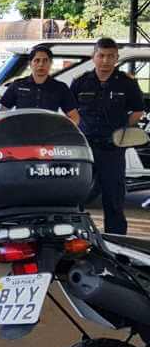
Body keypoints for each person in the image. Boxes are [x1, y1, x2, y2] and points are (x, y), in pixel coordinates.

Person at [71, 37, 144, 235]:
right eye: (101, 55)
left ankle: (116, 239)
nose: (105, 60)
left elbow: (138, 111)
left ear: (116, 58)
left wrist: (121, 130)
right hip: (85, 148)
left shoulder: (126, 83)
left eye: (110, 56)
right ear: (93, 57)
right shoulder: (81, 82)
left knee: (113, 198)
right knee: (78, 194)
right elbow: (70, 111)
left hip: (112, 149)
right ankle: (77, 236)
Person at [0, 45, 79, 124]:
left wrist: (61, 130)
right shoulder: (17, 85)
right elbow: (1, 113)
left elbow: (74, 117)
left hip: (48, 132)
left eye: (45, 60)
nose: (41, 64)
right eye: (37, 60)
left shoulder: (60, 88)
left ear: (51, 63)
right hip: (22, 131)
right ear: (30, 63)